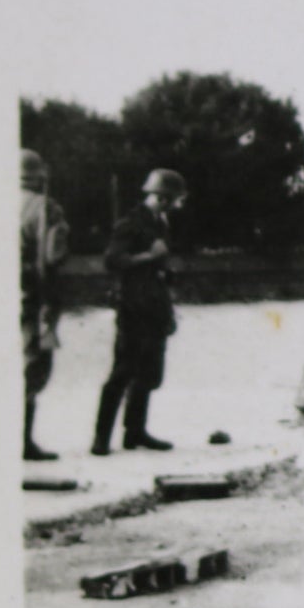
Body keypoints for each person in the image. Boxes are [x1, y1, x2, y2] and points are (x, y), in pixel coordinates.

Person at [91, 168, 186, 456]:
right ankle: (101, 438)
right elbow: (113, 260)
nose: (178, 204)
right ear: (162, 197)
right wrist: (150, 257)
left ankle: (135, 432)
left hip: (154, 306)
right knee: (122, 372)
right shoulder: (131, 223)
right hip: (133, 307)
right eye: (173, 198)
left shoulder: (159, 222)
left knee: (149, 372)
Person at [20, 150, 70, 462]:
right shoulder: (46, 208)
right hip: (33, 295)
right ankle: (22, 441)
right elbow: (53, 255)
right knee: (33, 367)